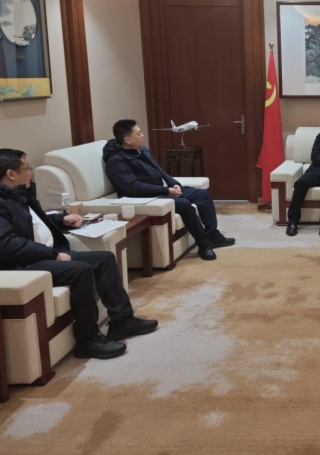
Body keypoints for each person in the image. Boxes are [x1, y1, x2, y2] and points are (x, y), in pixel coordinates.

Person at [0, 149, 158, 359]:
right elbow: (7, 243)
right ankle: (87, 340)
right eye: (27, 168)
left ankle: (122, 321)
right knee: (79, 270)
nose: (31, 172)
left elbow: (33, 223)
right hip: (23, 264)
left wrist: (61, 220)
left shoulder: (21, 195)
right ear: (11, 174)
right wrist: (53, 255)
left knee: (104, 258)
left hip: (44, 253)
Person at [103, 120, 235, 262]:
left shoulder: (141, 150)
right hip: (143, 198)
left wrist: (174, 184)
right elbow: (133, 188)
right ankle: (204, 244)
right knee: (184, 204)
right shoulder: (116, 161)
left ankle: (213, 235)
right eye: (138, 133)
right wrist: (167, 190)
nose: (142, 135)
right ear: (127, 140)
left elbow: (159, 170)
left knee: (202, 195)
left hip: (160, 190)